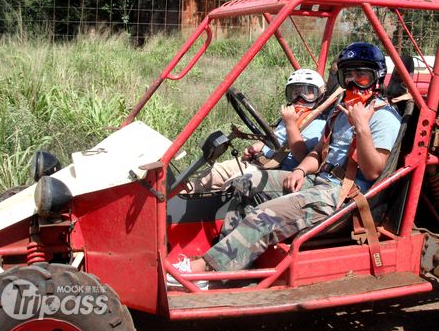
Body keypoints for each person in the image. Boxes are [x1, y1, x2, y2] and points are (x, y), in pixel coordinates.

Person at [170, 42, 402, 279]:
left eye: (361, 76)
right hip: (318, 181)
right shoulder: (340, 112)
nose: (352, 83)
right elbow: (317, 154)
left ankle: (208, 271)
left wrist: (362, 127)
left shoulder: (384, 117)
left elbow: (374, 172)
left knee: (266, 213)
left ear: (377, 78)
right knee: (246, 183)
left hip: (345, 196)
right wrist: (301, 170)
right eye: (347, 76)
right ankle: (228, 259)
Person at [182, 69, 328, 194]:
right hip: (259, 161)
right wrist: (259, 145)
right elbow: (275, 136)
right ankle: (180, 198)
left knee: (233, 185)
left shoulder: (319, 123)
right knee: (214, 172)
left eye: (307, 93)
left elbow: (303, 156)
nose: (299, 99)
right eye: (294, 93)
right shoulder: (286, 117)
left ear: (320, 95)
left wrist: (290, 124)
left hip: (277, 170)